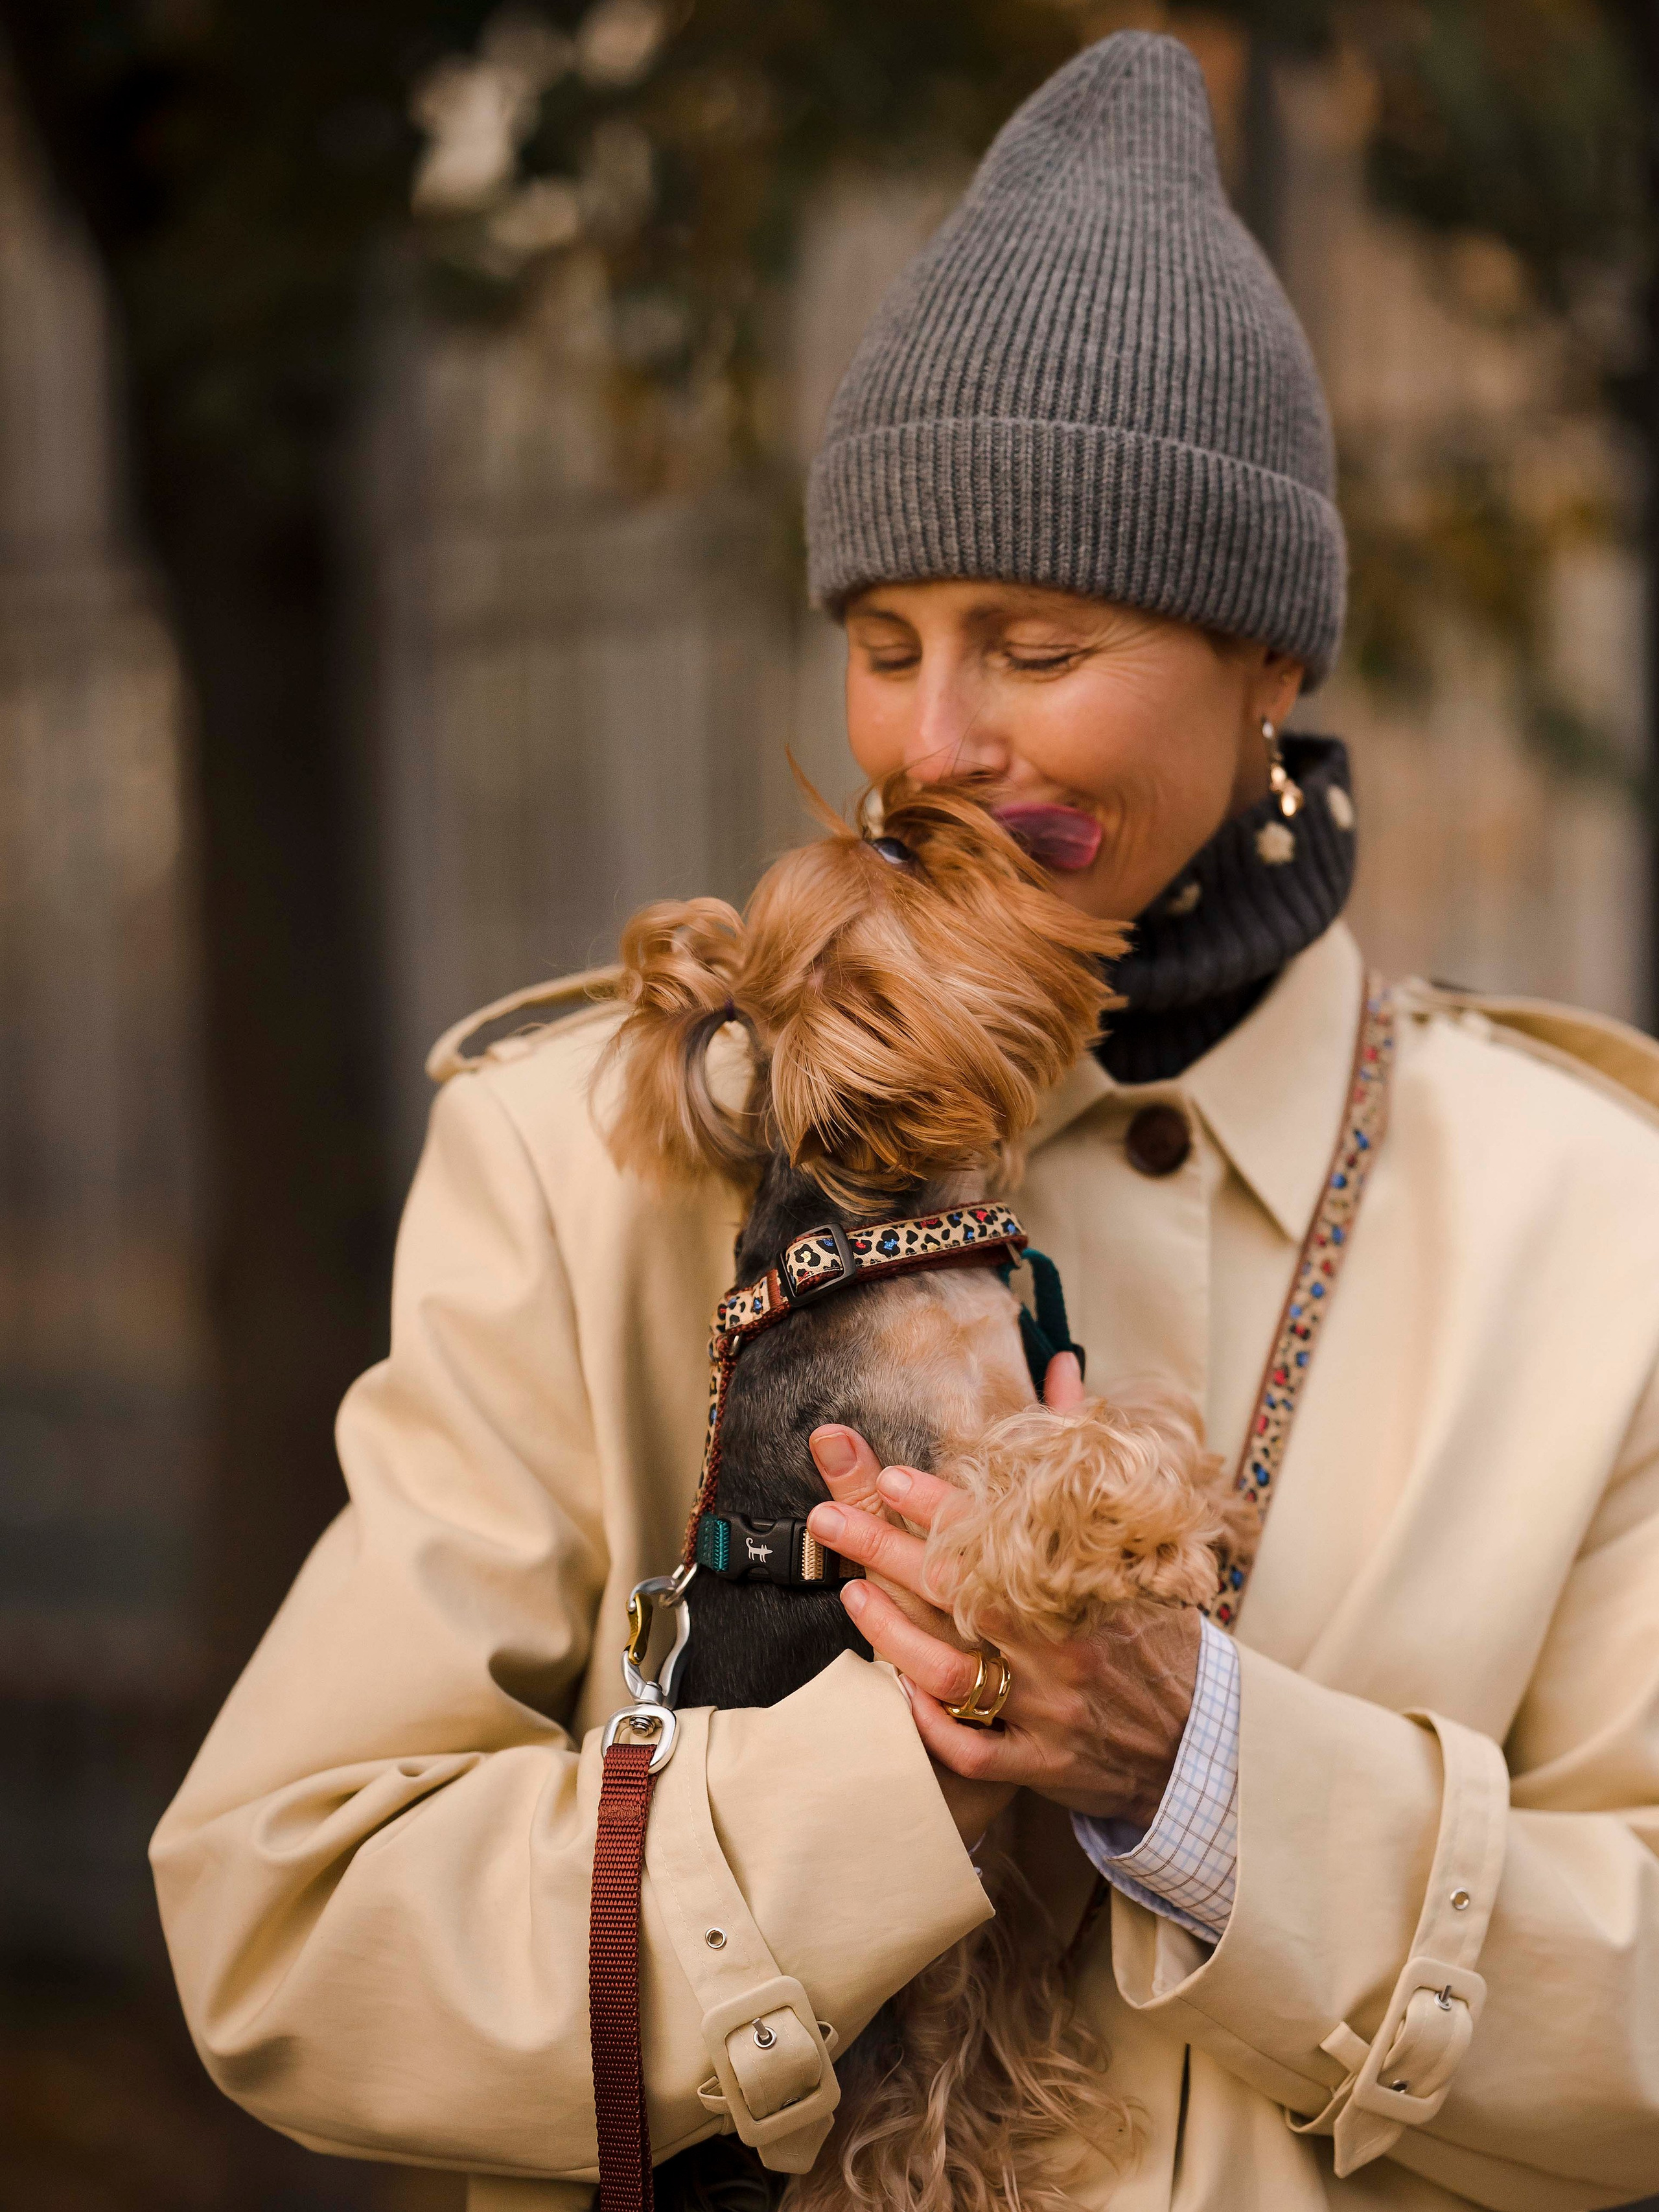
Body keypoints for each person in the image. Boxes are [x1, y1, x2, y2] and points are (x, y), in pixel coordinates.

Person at [152, 32, 1659, 2211]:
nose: (935, 739)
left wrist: (1207, 1777)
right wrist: (876, 1809)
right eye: (883, 641)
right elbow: (283, 1924)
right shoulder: (604, 1146)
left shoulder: (1588, 1222)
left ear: (1266, 663)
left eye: (1035, 644)